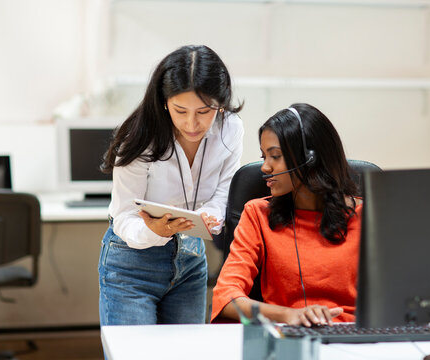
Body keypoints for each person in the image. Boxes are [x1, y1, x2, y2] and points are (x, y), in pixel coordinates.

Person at [99, 45, 243, 326]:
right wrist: (152, 230)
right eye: (180, 110)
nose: (192, 123)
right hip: (132, 263)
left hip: (190, 261)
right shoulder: (140, 137)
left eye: (204, 111)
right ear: (165, 102)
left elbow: (223, 193)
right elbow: (124, 217)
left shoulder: (230, 129)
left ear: (221, 104)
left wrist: (211, 216)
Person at [211, 103, 361, 327]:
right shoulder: (257, 214)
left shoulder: (366, 217)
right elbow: (226, 297)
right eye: (264, 157)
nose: (265, 167)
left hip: (356, 340)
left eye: (275, 156)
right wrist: (288, 315)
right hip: (289, 337)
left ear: (310, 158)